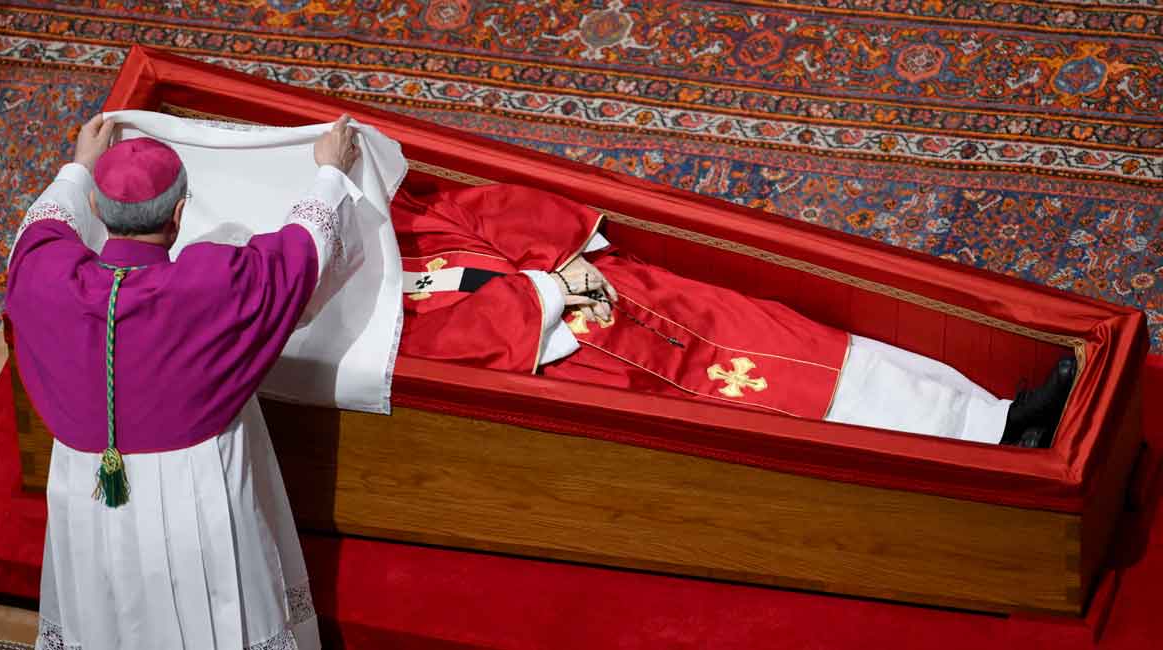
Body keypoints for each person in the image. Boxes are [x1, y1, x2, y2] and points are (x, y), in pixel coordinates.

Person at [6, 114, 363, 650]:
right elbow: (302, 256)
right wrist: (330, 173)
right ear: (178, 215)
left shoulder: (47, 280)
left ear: (98, 212)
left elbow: (36, 234)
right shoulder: (212, 286)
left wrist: (79, 168)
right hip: (198, 500)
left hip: (90, 499)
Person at [393, 183, 1076, 448]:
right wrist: (542, 295)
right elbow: (453, 350)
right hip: (581, 370)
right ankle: (994, 460)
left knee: (806, 346)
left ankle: (991, 417)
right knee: (790, 415)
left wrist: (562, 260)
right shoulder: (346, 327)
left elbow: (468, 210)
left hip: (625, 297)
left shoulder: (386, 223)